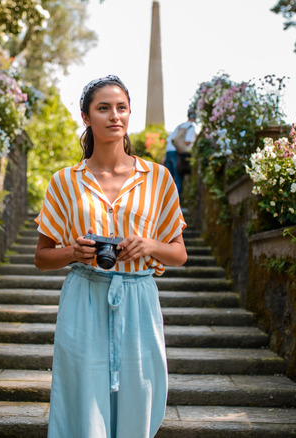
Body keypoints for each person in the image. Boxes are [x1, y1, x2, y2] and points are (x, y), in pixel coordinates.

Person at [34, 75, 188, 438]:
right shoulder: (64, 181)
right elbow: (42, 257)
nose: (114, 116)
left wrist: (149, 246)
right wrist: (73, 252)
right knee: (82, 399)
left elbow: (179, 254)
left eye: (121, 108)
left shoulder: (159, 178)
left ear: (130, 113)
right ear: (86, 117)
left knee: (140, 394)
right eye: (103, 108)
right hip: (84, 298)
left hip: (138, 298)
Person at [163, 110, 197, 197]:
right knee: (178, 180)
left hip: (169, 152)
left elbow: (170, 140)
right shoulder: (191, 127)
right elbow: (187, 142)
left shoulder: (180, 126)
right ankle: (175, 206)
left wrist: (164, 158)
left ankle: (163, 205)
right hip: (178, 154)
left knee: (167, 180)